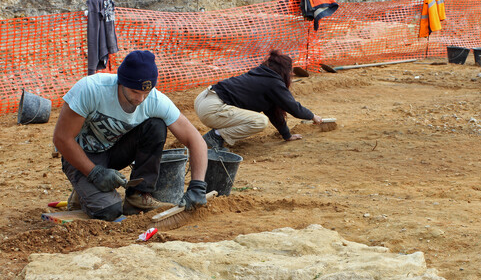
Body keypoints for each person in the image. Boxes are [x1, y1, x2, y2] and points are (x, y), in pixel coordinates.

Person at [53, 50, 209, 221]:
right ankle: (84, 188)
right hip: (78, 154)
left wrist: (198, 186)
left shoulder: (155, 100)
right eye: (135, 91)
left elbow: (195, 140)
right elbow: (62, 138)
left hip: (113, 151)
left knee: (155, 126)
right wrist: (94, 173)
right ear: (121, 82)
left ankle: (138, 196)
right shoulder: (91, 89)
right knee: (110, 211)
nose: (141, 98)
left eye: (146, 92)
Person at [195, 50, 323, 149]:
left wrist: (287, 135)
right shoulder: (273, 82)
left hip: (204, 98)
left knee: (255, 117)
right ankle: (215, 137)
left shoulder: (261, 73)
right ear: (284, 70)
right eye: (291, 71)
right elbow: (292, 106)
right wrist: (312, 116)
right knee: (259, 122)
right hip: (212, 107)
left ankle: (216, 134)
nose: (292, 74)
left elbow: (273, 110)